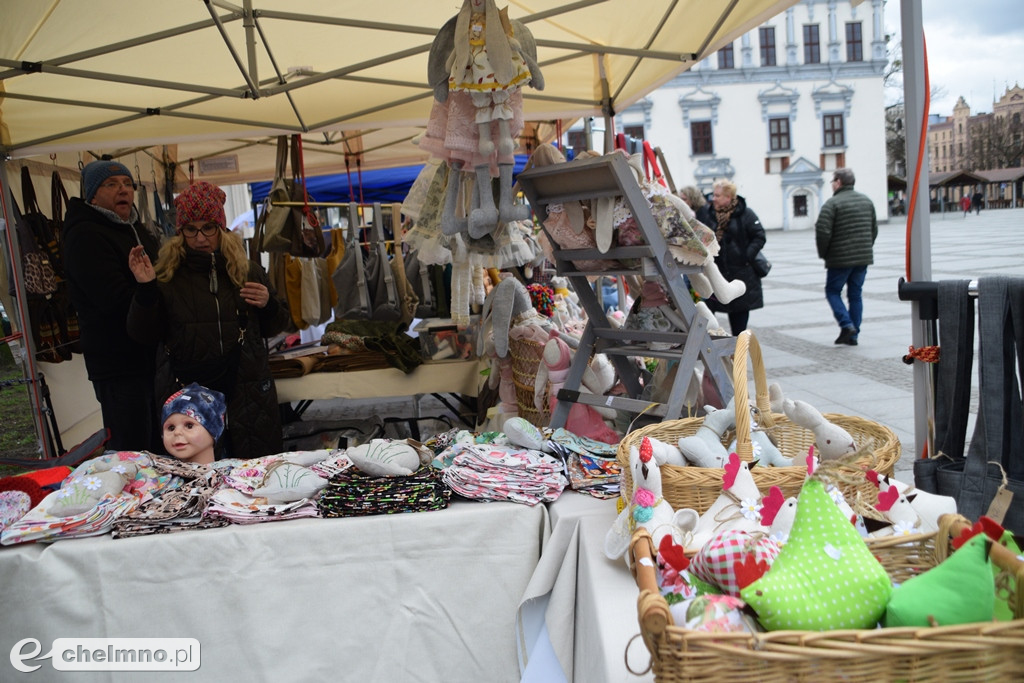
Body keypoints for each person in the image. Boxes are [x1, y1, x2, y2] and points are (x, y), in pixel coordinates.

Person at [127, 181, 290, 460]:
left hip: (246, 389)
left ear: (222, 229)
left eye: (208, 227)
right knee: (196, 475)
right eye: (191, 229)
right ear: (180, 232)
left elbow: (277, 326)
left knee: (252, 471)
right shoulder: (166, 275)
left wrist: (268, 304)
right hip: (186, 391)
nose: (200, 238)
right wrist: (144, 290)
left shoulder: (247, 271)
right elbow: (142, 334)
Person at [63, 159, 163, 452]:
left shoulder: (133, 228)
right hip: (118, 363)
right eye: (112, 184)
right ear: (92, 194)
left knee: (157, 445)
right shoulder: (85, 235)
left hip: (147, 359)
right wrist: (147, 289)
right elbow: (113, 300)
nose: (123, 190)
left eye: (128, 184)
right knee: (132, 448)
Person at [815, 168, 877, 346]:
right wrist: (866, 247)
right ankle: (854, 335)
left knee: (833, 291)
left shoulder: (832, 204)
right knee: (855, 295)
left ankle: (846, 324)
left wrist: (824, 253)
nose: (832, 184)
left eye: (833, 181)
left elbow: (823, 232)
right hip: (862, 258)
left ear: (839, 182)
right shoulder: (866, 201)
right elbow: (874, 229)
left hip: (839, 259)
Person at [695, 179, 766, 335]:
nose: (713, 198)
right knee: (708, 313)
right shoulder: (707, 214)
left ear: (728, 197)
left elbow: (759, 236)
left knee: (739, 317)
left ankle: (737, 352)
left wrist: (746, 255)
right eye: (714, 195)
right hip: (715, 273)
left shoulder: (745, 213)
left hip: (741, 273)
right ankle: (711, 349)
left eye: (718, 195)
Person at [161, 383, 226, 465]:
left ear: (213, 430)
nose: (177, 432)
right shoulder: (150, 473)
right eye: (171, 428)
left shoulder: (237, 475)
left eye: (189, 426)